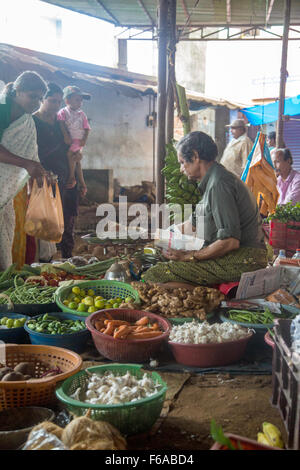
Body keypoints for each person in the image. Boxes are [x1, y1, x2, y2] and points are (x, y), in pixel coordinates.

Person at [143, 131, 268, 286]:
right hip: (237, 255)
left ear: (195, 156)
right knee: (158, 261)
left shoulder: (219, 184)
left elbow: (230, 241)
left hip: (244, 259)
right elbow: (191, 225)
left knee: (157, 274)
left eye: (183, 162)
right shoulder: (211, 182)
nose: (181, 169)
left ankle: (208, 298)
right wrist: (160, 237)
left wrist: (190, 256)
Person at [33, 83, 87, 259]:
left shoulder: (61, 123)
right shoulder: (32, 122)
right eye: (51, 101)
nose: (56, 105)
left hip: (67, 179)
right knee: (44, 221)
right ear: (42, 99)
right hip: (41, 180)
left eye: (58, 102)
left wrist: (80, 178)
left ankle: (66, 258)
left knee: (67, 219)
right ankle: (43, 261)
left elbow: (74, 150)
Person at [0, 71, 48, 270]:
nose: (36, 103)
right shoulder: (2, 110)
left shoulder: (27, 120)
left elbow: (31, 155)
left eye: (39, 98)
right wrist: (26, 164)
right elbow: (25, 160)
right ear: (17, 92)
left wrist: (39, 171)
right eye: (32, 96)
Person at [57, 85, 90, 191]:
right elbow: (61, 123)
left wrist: (84, 140)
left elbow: (87, 128)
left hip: (78, 141)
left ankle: (71, 177)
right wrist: (66, 135)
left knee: (70, 155)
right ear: (67, 101)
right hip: (72, 140)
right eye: (77, 100)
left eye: (81, 100)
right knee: (77, 161)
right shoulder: (63, 112)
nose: (80, 102)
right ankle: (82, 183)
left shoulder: (82, 114)